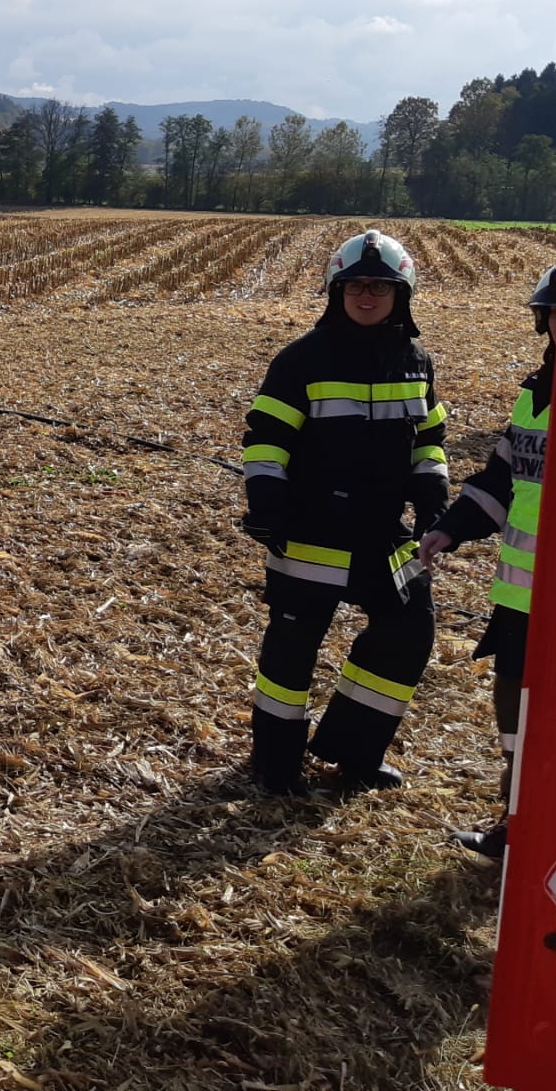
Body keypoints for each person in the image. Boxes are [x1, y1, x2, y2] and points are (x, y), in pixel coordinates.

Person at [240, 229, 449, 796]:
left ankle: (354, 752)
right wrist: (266, 504)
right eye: (355, 285)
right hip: (310, 533)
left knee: (408, 631)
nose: (366, 295)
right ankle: (275, 764)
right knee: (291, 650)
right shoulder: (301, 360)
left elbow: (430, 440)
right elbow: (266, 439)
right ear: (337, 291)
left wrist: (433, 498)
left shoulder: (416, 362)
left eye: (380, 286)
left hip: (384, 535)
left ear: (401, 293)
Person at [419, 262, 556, 860]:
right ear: (543, 320)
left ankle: (554, 831)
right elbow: (503, 481)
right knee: (514, 707)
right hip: (521, 596)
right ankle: (518, 822)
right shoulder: (535, 395)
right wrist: (448, 530)